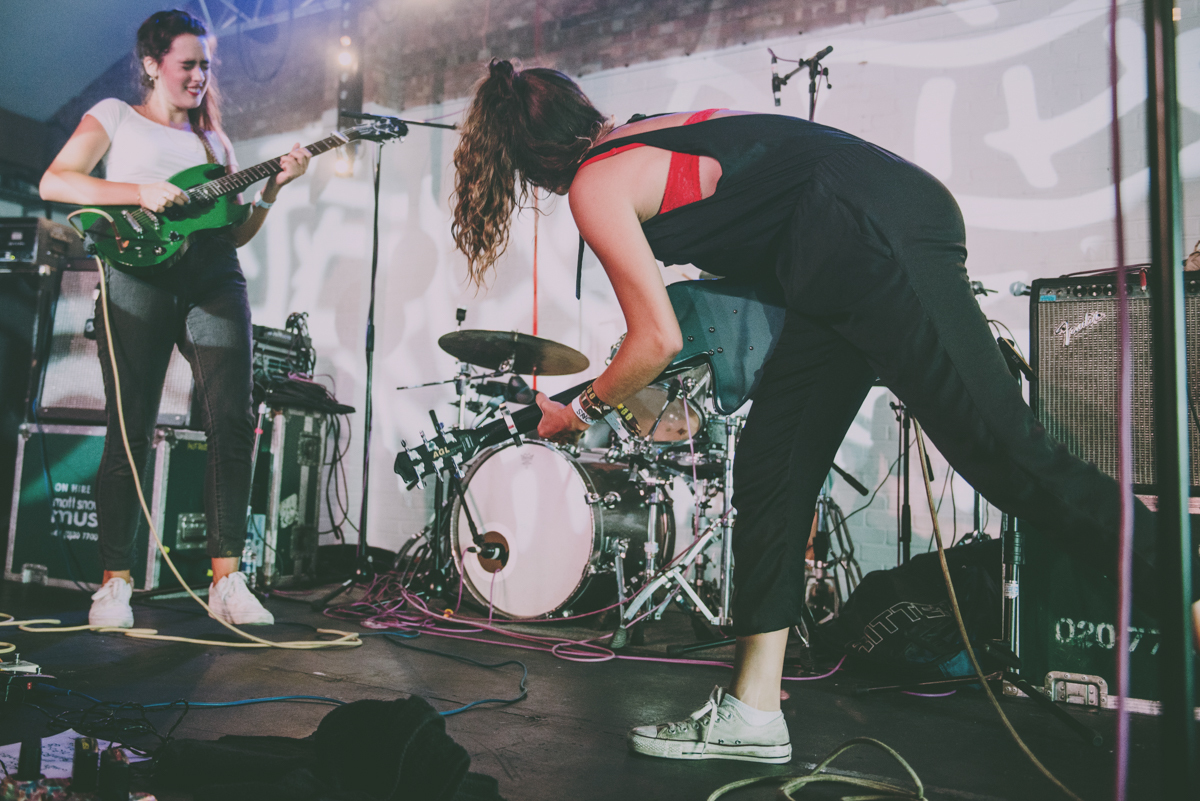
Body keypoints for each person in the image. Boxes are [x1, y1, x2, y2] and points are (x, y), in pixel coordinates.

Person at [451, 60, 1197, 764]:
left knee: (1008, 455)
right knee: (772, 464)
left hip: (862, 237)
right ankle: (752, 710)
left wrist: (580, 407)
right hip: (835, 260)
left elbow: (656, 339)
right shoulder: (649, 131)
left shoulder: (595, 183)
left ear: (525, 166)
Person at [39, 10, 310, 628]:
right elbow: (58, 181)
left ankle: (226, 580)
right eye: (187, 65)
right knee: (129, 428)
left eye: (205, 65)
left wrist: (273, 189)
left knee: (232, 420)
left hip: (212, 274)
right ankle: (114, 584)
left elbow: (235, 231)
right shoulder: (115, 115)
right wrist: (138, 190)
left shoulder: (216, 144)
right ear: (152, 65)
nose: (199, 76)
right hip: (136, 272)